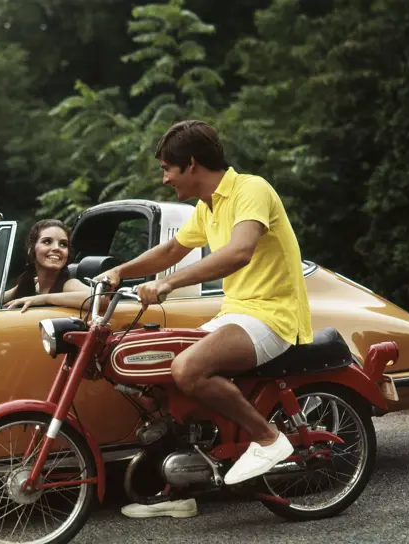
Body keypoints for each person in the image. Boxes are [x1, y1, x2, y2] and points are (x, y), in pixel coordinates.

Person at [97, 120, 313, 519]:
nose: (164, 179)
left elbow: (239, 252)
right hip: (237, 314)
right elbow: (170, 251)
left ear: (192, 165)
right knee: (157, 372)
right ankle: (180, 487)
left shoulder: (251, 189)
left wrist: (168, 284)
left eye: (168, 168)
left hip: (272, 315)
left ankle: (268, 439)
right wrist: (119, 272)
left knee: (188, 368)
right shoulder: (206, 207)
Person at [0, 219, 101, 313]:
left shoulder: (68, 284)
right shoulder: (33, 283)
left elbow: (99, 300)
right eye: (47, 241)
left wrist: (44, 299)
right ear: (31, 249)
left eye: (63, 244)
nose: (57, 248)